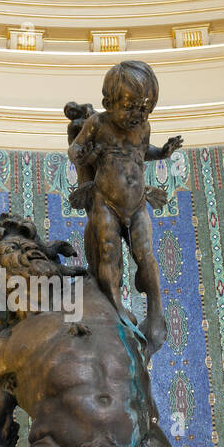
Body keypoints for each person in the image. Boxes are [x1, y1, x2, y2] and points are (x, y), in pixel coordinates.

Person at [67, 61, 182, 356]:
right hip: (106, 201)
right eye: (130, 107)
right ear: (109, 102)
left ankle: (156, 314)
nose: (138, 115)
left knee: (146, 253)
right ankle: (115, 304)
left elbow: (143, 151)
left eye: (145, 108)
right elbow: (75, 150)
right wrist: (86, 153)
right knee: (108, 250)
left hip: (138, 203)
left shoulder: (143, 127)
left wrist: (163, 152)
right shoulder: (98, 124)